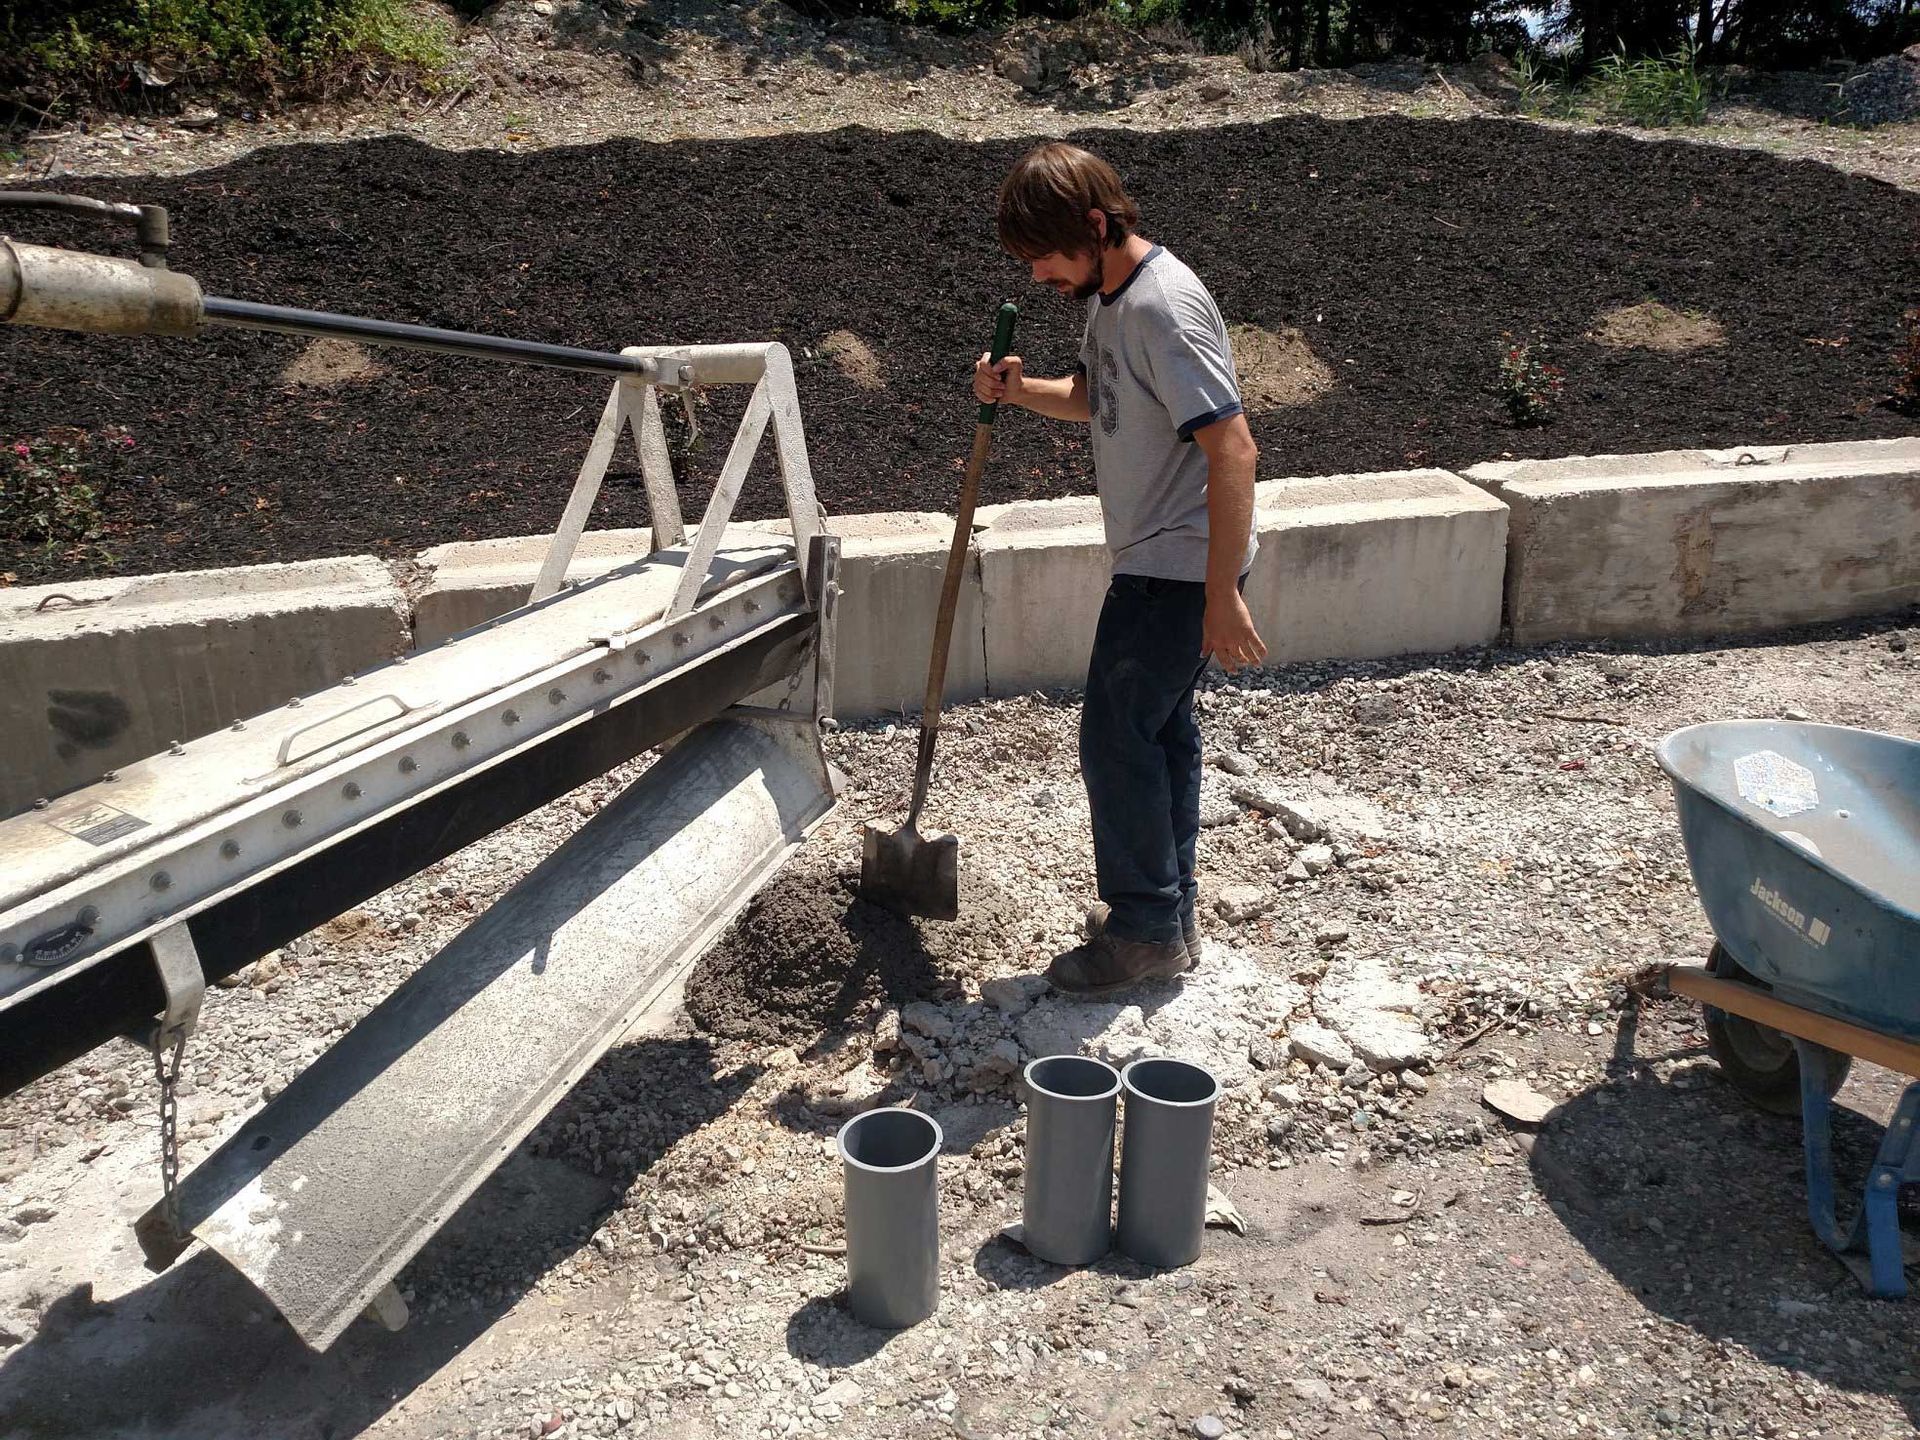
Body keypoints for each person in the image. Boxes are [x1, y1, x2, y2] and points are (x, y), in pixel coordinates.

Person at [974, 142, 1266, 999]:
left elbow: (1233, 446)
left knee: (1115, 740)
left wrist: (1219, 593)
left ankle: (1143, 929)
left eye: (1046, 257)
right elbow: (1096, 399)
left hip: (1176, 571)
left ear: (1097, 227)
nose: (1037, 277)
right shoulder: (1111, 298)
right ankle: (1166, 917)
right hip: (1164, 565)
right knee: (1159, 734)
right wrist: (1021, 391)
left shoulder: (1161, 309)